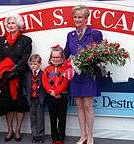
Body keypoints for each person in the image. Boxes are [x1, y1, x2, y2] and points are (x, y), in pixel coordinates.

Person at [64, 5, 103, 144]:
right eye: (75, 17)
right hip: (75, 75)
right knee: (79, 106)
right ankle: (83, 135)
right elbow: (66, 53)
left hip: (88, 75)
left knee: (87, 106)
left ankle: (91, 136)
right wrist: (57, 54)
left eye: (80, 17)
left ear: (86, 18)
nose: (77, 19)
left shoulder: (95, 34)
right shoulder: (70, 35)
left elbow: (101, 54)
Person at [0, 15, 32, 142]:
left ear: (19, 25)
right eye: (9, 23)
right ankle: (9, 130)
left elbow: (24, 59)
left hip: (21, 76)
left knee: (20, 105)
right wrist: (5, 72)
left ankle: (18, 131)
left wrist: (15, 72)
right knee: (8, 105)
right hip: (5, 77)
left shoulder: (26, 40)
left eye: (13, 23)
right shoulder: (1, 40)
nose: (10, 25)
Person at [42, 46, 70, 144]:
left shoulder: (66, 69)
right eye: (53, 57)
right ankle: (54, 137)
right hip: (51, 97)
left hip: (62, 96)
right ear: (50, 58)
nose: (55, 59)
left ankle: (61, 137)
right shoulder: (47, 69)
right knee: (52, 118)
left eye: (57, 57)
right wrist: (51, 92)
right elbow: (45, 82)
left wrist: (57, 92)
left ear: (62, 57)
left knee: (62, 118)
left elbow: (65, 83)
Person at [23, 54, 46, 143]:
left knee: (40, 118)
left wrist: (43, 99)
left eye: (35, 64)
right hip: (31, 100)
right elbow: (24, 87)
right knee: (33, 118)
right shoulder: (27, 75)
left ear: (40, 64)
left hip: (40, 100)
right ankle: (34, 135)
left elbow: (45, 88)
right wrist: (26, 96)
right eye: (32, 63)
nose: (33, 66)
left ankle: (40, 136)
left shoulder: (43, 74)